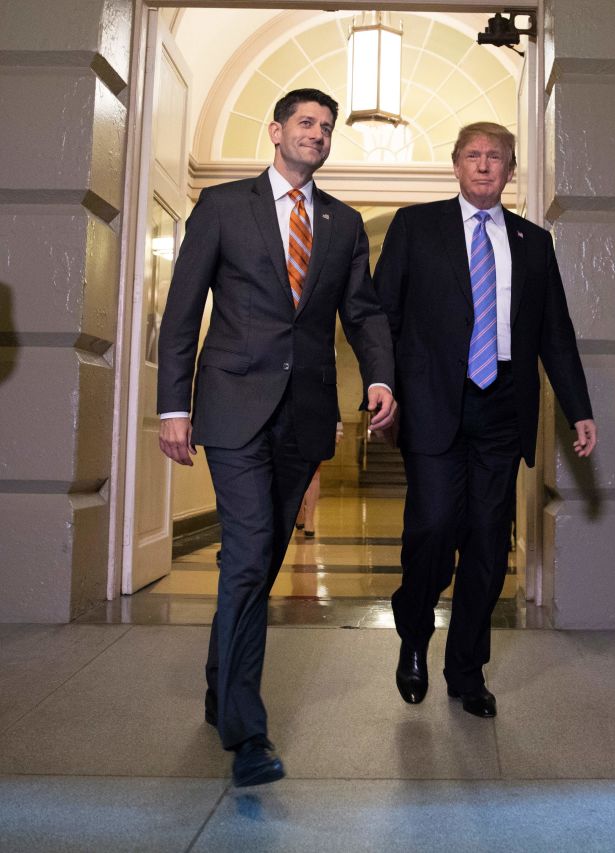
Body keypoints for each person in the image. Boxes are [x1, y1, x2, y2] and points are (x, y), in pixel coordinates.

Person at [157, 88, 396, 787]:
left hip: (305, 413)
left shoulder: (345, 224)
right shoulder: (224, 206)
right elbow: (182, 311)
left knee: (252, 562)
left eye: (326, 127)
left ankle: (217, 687)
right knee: (254, 551)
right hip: (231, 407)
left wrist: (381, 376)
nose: (317, 134)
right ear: (276, 131)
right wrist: (175, 405)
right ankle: (247, 731)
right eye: (305, 123)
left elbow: (363, 310)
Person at [374, 122, 596, 718]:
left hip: (502, 406)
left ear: (510, 169)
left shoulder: (533, 241)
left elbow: (556, 334)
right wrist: (383, 388)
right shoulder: (414, 227)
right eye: (472, 155)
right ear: (455, 165)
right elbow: (382, 316)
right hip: (432, 405)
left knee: (489, 548)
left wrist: (579, 409)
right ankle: (414, 636)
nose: (483, 165)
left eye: (495, 157)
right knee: (431, 531)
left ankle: (466, 670)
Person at [296, 420, 344, 537]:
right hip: (292, 423)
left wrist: (338, 427)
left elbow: (331, 401)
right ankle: (299, 513)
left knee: (314, 473)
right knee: (295, 475)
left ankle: (309, 519)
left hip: (317, 423)